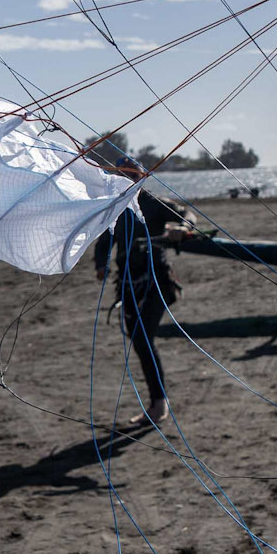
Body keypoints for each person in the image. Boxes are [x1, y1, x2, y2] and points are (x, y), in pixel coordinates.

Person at [93, 172, 182, 428]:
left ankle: (159, 404)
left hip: (157, 283)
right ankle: (157, 402)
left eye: (130, 178)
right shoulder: (118, 208)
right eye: (121, 178)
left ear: (140, 179)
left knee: (143, 339)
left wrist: (182, 228)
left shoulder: (155, 204)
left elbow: (186, 215)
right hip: (128, 285)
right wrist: (101, 264)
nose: (125, 182)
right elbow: (105, 240)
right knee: (139, 341)